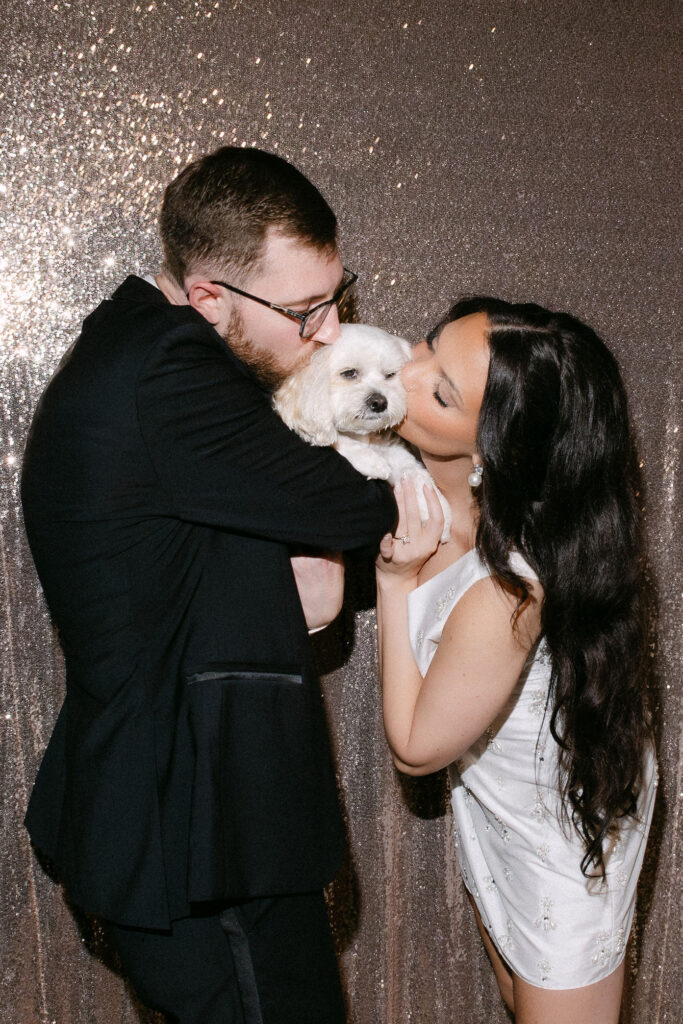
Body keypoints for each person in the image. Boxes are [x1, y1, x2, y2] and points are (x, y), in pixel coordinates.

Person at [21, 146, 396, 1024]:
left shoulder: (138, 349)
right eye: (305, 310)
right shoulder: (171, 370)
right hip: (197, 826)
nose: (331, 329)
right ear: (208, 297)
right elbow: (346, 507)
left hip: (199, 817)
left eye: (337, 297)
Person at [375, 297, 657, 1023]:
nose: (403, 373)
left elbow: (414, 749)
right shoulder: (426, 482)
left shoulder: (508, 591)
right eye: (427, 345)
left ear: (490, 452)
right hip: (503, 810)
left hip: (561, 838)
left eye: (438, 391)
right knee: (514, 993)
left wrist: (394, 582)